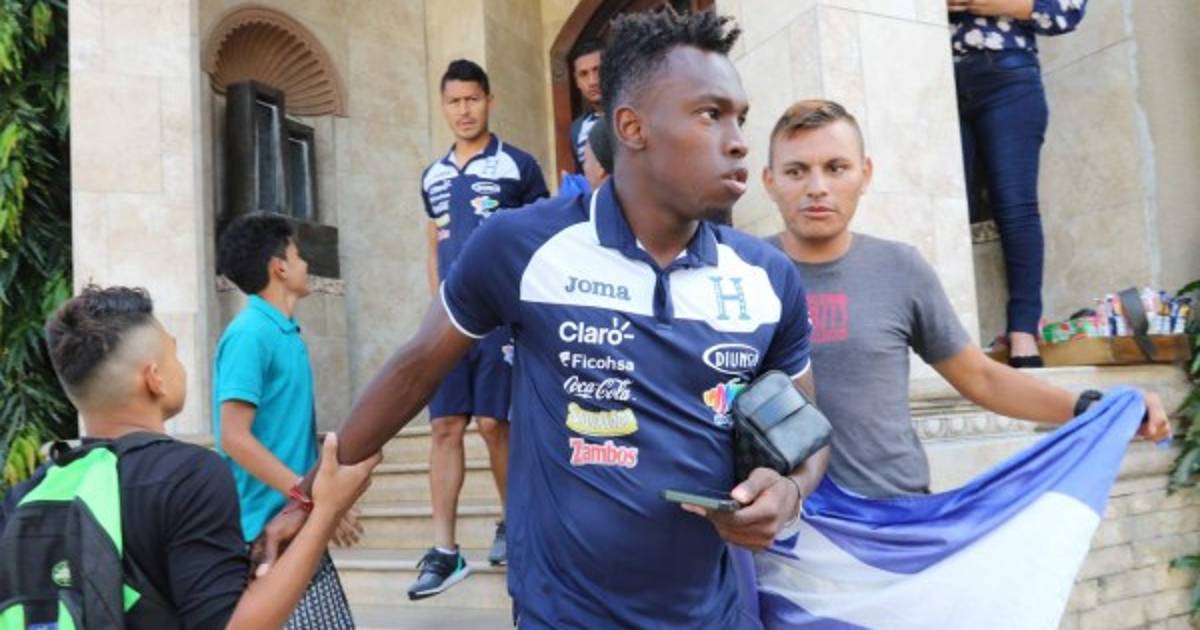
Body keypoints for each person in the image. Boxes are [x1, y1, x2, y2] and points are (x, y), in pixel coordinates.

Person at [257, 11, 827, 629]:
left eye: (740, 117)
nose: (738, 140)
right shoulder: (521, 248)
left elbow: (806, 435)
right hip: (563, 613)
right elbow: (415, 371)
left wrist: (790, 490)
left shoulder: (767, 278)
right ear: (631, 127)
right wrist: (306, 498)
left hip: (714, 615)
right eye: (711, 114)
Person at [760, 99, 1169, 500]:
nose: (817, 187)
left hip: (896, 515)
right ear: (769, 181)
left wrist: (1093, 407)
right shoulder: (742, 271)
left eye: (836, 168)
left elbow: (981, 377)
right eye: (796, 171)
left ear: (865, 174)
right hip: (775, 521)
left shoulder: (900, 268)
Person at [0, 285, 379, 628]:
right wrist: (327, 511)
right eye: (173, 353)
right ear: (155, 379)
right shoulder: (188, 475)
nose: (180, 366)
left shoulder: (24, 496)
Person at [414, 58, 549, 599]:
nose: (464, 110)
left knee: (495, 424)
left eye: (472, 99)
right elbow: (434, 241)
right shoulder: (432, 175)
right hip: (448, 320)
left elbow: (542, 238)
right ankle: (445, 550)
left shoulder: (519, 165)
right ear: (443, 106)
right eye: (454, 101)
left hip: (500, 318)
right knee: (445, 426)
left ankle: (514, 525)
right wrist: (435, 306)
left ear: (489, 101)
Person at [213, 214, 357, 627]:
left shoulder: (284, 334)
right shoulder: (249, 334)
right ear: (279, 267)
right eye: (297, 256)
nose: (305, 264)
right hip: (260, 533)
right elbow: (234, 438)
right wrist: (309, 497)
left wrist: (317, 502)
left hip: (296, 521)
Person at [949, 0, 1088, 367]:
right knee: (944, 207)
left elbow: (1066, 11)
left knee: (1015, 206)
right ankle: (946, 336)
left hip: (1007, 75)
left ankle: (1023, 333)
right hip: (933, 74)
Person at [567, 39, 604, 173]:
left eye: (598, 70)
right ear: (576, 81)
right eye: (583, 74)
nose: (592, 81)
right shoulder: (577, 129)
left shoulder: (635, 113)